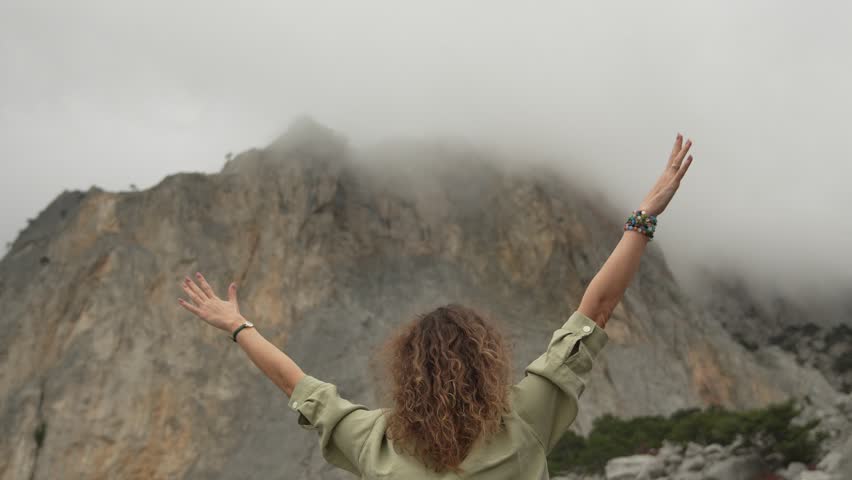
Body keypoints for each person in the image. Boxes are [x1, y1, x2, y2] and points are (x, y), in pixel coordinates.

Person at [178, 133, 695, 479]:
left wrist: (238, 325)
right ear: (487, 363)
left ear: (407, 372)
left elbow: (299, 386)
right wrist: (643, 218)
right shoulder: (528, 418)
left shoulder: (376, 444)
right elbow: (596, 310)